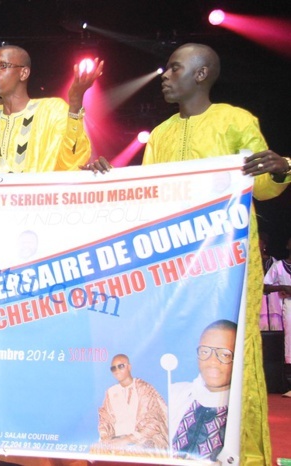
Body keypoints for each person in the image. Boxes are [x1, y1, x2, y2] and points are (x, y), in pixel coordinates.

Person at [142, 42, 291, 465]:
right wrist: (106, 179)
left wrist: (281, 168)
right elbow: (146, 195)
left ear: (201, 73)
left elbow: (263, 187)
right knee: (177, 347)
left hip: (229, 263)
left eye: (174, 68)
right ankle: (178, 450)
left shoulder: (235, 121)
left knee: (232, 350)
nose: (165, 76)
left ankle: (240, 454)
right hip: (175, 265)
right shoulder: (160, 134)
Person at [0, 44, 105, 175]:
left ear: (23, 73)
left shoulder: (52, 111)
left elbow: (71, 160)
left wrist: (75, 102)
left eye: (2, 66)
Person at [170, 320, 237, 461]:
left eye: (224, 354)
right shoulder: (175, 394)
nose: (212, 361)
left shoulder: (242, 412)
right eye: (205, 352)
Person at [91, 354, 168, 456]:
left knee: (139, 450)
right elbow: (105, 420)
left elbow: (154, 421)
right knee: (96, 449)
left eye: (120, 366)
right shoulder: (111, 392)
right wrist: (106, 439)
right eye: (113, 368)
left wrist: (128, 439)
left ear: (129, 367)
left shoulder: (144, 388)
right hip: (118, 439)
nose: (117, 370)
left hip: (141, 438)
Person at [263, 236, 291, 397]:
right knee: (290, 344)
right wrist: (282, 287)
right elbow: (265, 286)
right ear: (287, 245)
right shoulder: (279, 266)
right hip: (289, 306)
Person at [259, 232, 282, 331]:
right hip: (257, 305)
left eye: (259, 242)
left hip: (274, 303)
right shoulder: (249, 263)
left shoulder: (274, 262)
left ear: (264, 245)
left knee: (276, 327)